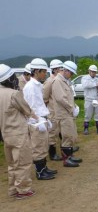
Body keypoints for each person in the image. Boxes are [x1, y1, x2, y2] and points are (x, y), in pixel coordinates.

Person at [0, 64, 37, 199]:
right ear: (8, 79)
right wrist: (37, 118)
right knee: (23, 163)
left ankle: (13, 189)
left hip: (5, 133)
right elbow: (26, 109)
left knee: (11, 164)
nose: (15, 79)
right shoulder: (14, 94)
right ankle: (23, 190)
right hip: (19, 133)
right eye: (13, 77)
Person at [23, 58, 57, 180]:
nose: (45, 74)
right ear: (36, 71)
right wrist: (38, 120)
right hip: (36, 122)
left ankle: (44, 168)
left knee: (43, 146)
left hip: (42, 119)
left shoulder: (37, 85)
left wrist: (45, 118)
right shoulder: (30, 87)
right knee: (37, 147)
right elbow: (31, 107)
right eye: (43, 72)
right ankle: (40, 172)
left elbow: (40, 104)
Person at [52, 61, 81, 167]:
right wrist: (71, 109)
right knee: (67, 136)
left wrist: (74, 106)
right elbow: (61, 99)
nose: (72, 75)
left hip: (68, 113)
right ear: (66, 70)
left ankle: (70, 156)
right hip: (64, 114)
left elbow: (68, 97)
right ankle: (67, 159)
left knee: (71, 136)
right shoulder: (57, 81)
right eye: (71, 73)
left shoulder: (64, 81)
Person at [43, 59, 64, 161]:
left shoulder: (59, 80)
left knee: (60, 130)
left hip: (59, 111)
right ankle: (52, 153)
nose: (62, 70)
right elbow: (45, 97)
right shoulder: (49, 81)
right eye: (61, 68)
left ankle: (65, 148)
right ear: (55, 69)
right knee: (52, 133)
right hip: (52, 111)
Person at [82, 65, 98, 135]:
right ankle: (86, 128)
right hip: (88, 99)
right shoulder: (85, 78)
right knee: (87, 115)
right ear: (89, 71)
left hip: (96, 99)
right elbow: (85, 85)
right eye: (92, 72)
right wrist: (95, 84)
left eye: (95, 72)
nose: (94, 73)